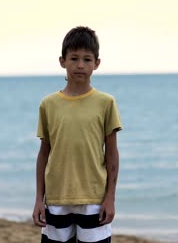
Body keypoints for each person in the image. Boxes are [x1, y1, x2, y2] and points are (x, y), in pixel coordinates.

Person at [32, 26, 123, 243]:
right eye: (73, 58)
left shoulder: (106, 103)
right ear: (62, 61)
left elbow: (112, 154)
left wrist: (110, 197)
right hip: (56, 198)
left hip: (94, 199)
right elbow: (44, 154)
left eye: (87, 59)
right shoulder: (48, 104)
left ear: (96, 63)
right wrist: (38, 199)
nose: (80, 65)